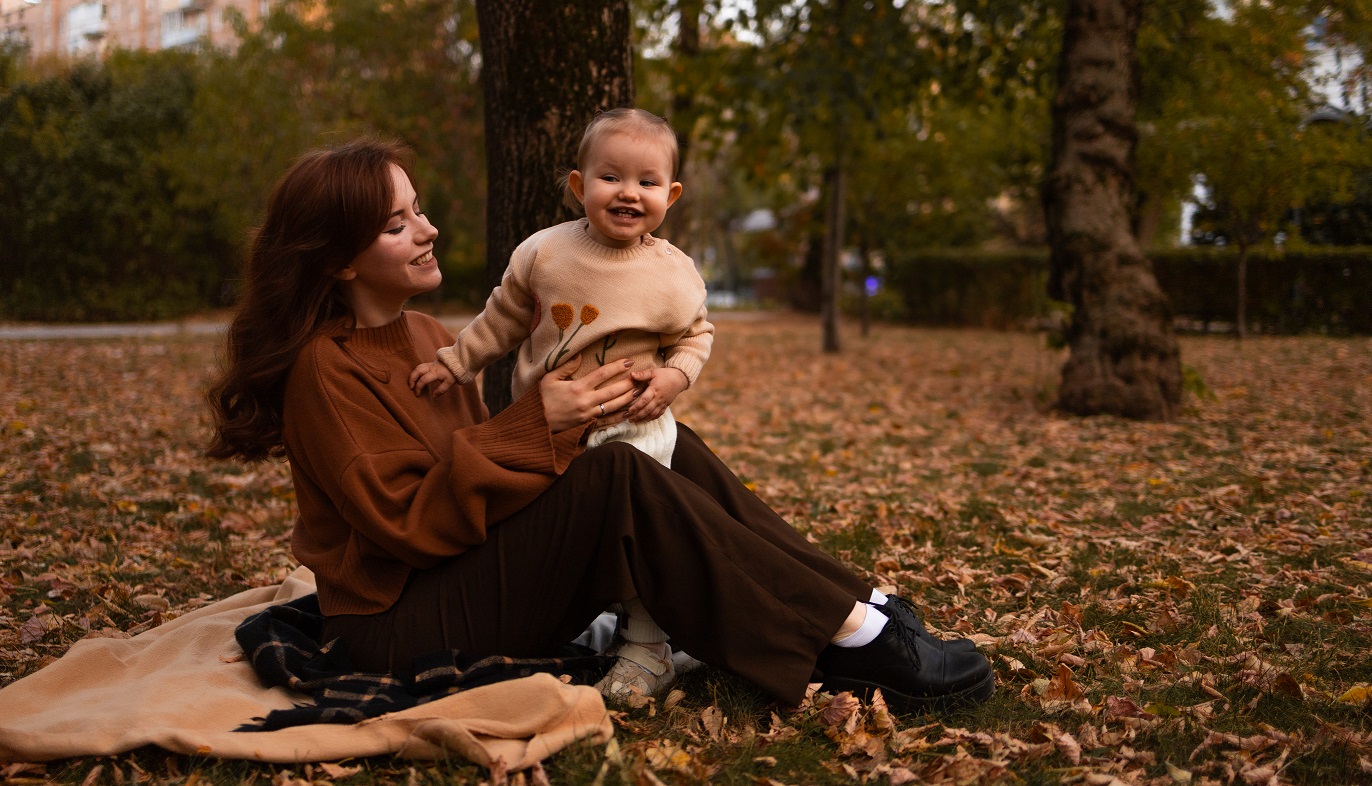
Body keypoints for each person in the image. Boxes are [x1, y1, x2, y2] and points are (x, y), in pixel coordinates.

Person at [206, 137, 995, 714]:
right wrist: (535, 424)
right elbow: (407, 526)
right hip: (398, 620)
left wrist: (595, 414)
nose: (428, 231)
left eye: (419, 211)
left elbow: (487, 482)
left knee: (656, 435)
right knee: (618, 471)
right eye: (395, 225)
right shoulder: (325, 370)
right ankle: (850, 638)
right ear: (340, 261)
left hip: (466, 575)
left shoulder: (424, 339)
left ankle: (856, 608)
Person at [409, 108, 712, 473]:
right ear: (580, 186)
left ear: (670, 195)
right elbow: (502, 317)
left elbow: (694, 336)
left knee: (634, 502)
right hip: (548, 426)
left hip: (636, 425)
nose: (629, 193)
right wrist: (456, 363)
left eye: (648, 183)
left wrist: (676, 376)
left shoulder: (673, 271)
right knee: (567, 511)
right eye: (611, 177)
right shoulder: (545, 252)